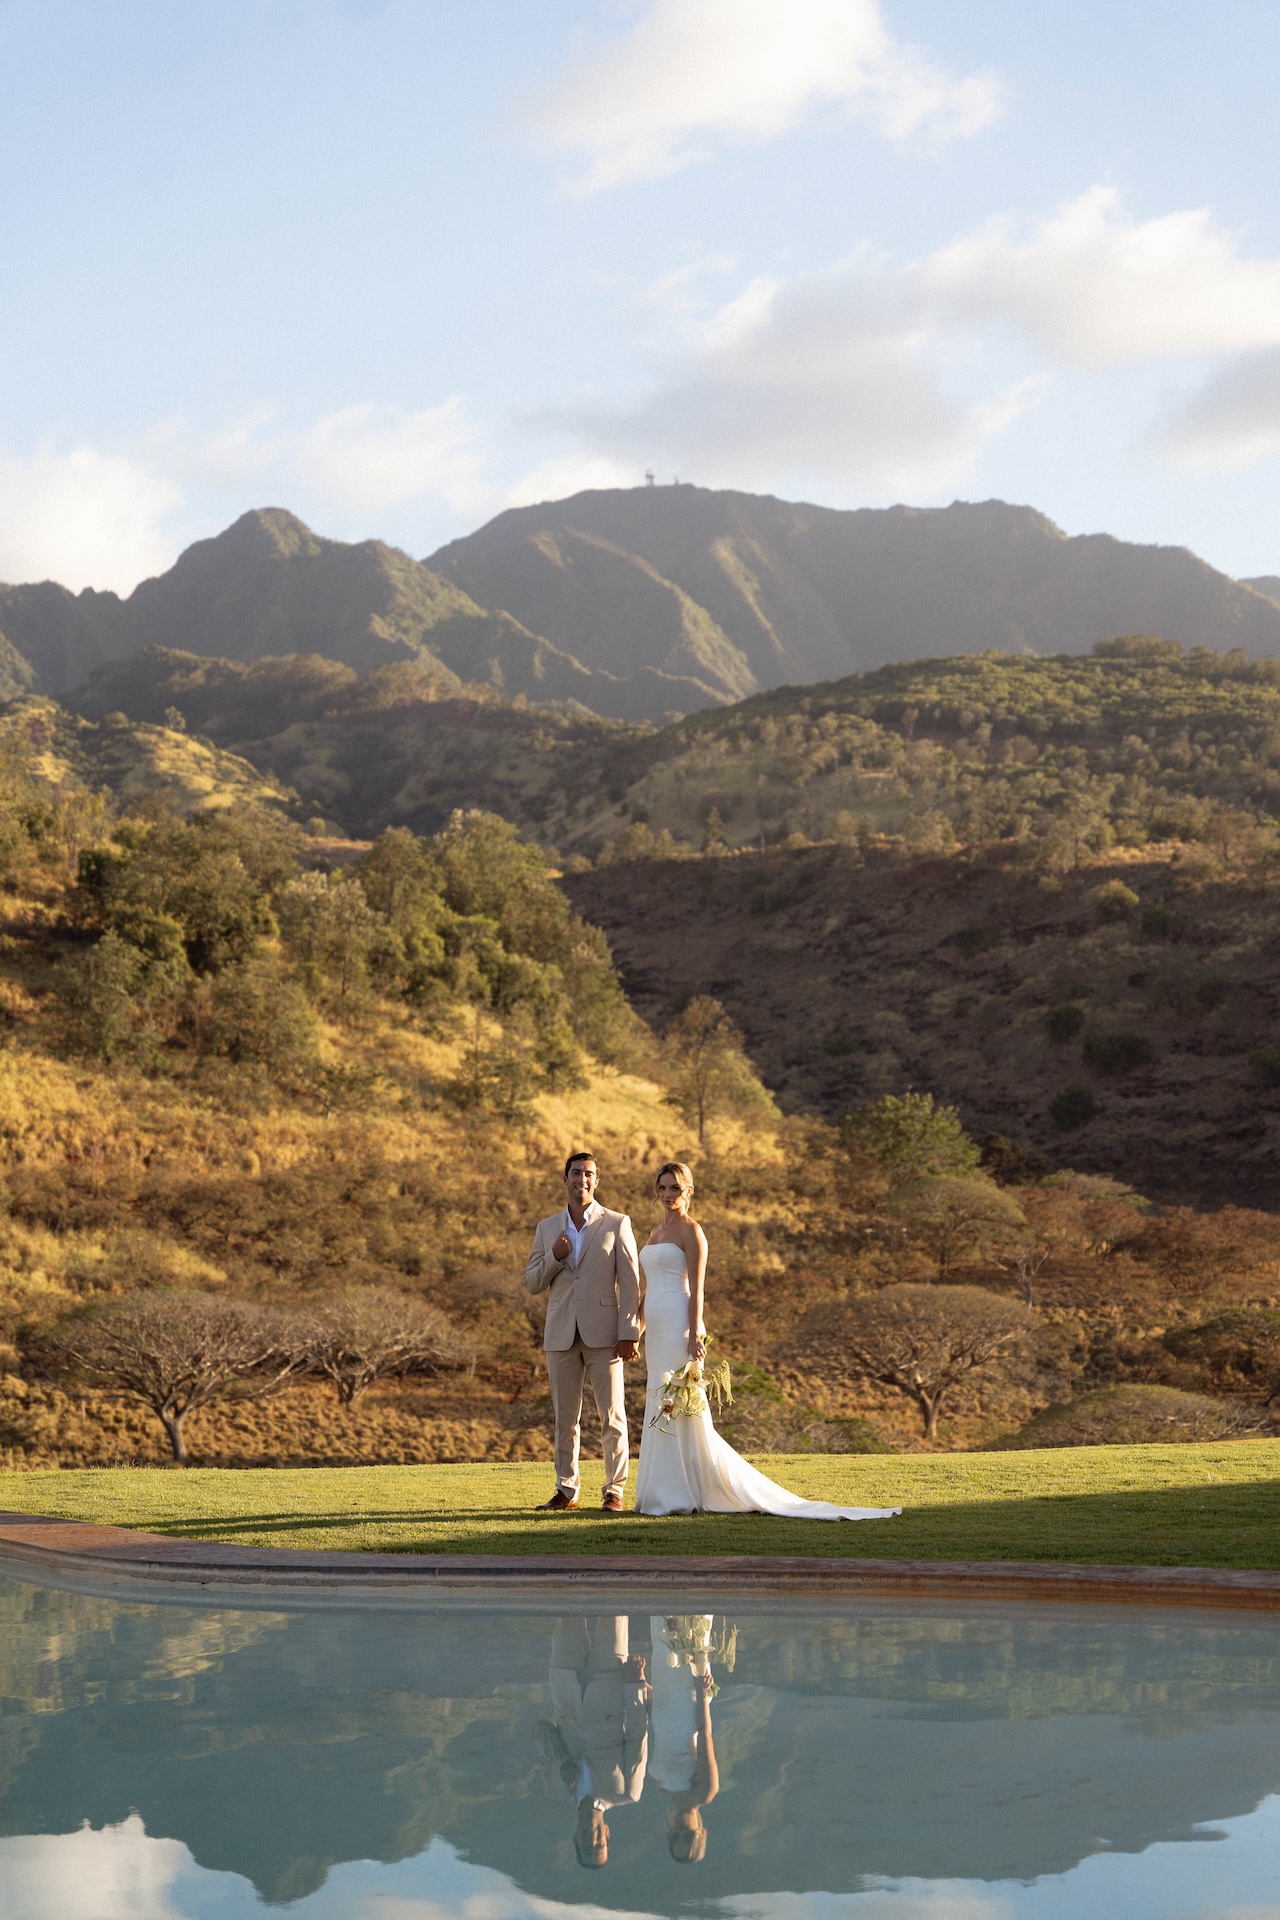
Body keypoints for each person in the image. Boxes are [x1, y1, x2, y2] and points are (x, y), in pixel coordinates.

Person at [633, 1161, 903, 1521]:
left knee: (683, 1402)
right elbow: (648, 1287)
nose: (667, 1195)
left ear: (689, 1192)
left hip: (680, 1323)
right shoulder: (654, 1232)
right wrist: (635, 1330)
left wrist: (696, 1332)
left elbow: (697, 1287)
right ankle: (660, 1490)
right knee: (659, 1397)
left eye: (675, 1189)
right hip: (656, 1327)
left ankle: (682, 1491)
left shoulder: (692, 1231)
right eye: (662, 1188)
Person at [524, 1150, 642, 1513]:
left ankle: (614, 1491)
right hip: (560, 1334)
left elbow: (632, 1284)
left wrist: (630, 1332)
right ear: (565, 1179)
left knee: (613, 1416)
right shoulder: (547, 1228)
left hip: (606, 1335)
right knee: (565, 1418)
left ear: (597, 1179)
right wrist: (555, 1257)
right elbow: (531, 1283)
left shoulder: (617, 1223)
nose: (582, 1179)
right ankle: (566, 1490)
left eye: (589, 1174)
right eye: (576, 1173)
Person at [530, 1615, 649, 1870]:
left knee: (567, 1610)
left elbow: (540, 1731)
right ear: (607, 1834)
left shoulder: (555, 1790)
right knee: (614, 1608)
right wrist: (635, 1683)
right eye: (599, 1844)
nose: (592, 1839)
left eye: (586, 1845)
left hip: (566, 1683)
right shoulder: (627, 1792)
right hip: (611, 1683)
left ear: (575, 1838)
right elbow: (638, 1735)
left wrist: (562, 1764)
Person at [647, 1615, 720, 1863]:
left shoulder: (662, 1787)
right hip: (689, 1698)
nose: (679, 1830)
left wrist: (639, 1684)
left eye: (674, 1835)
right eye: (686, 1835)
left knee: (661, 1635)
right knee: (694, 1631)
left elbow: (660, 1730)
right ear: (701, 1832)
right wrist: (701, 1690)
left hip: (664, 1695)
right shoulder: (704, 1792)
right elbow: (705, 1734)